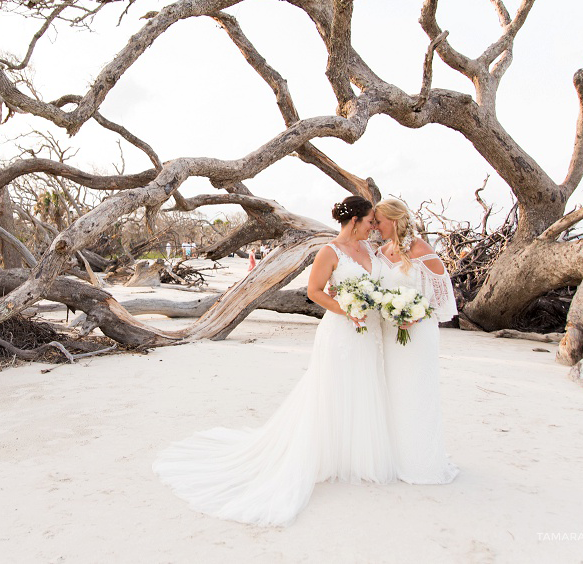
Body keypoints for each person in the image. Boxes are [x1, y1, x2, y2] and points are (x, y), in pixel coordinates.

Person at [154, 196, 396, 527]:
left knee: (365, 384)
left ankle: (355, 456)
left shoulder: (371, 251)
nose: (373, 227)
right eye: (370, 221)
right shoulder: (330, 252)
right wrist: (347, 309)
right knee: (332, 390)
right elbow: (315, 291)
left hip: (369, 333)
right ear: (354, 220)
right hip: (342, 331)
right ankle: (324, 455)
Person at [373, 198, 459, 485]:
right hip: (390, 333)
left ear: (394, 221)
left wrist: (417, 316)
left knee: (416, 392)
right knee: (393, 391)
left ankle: (420, 461)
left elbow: (442, 296)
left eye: (379, 221)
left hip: (418, 334)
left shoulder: (421, 250)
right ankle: (394, 458)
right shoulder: (382, 252)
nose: (375, 226)